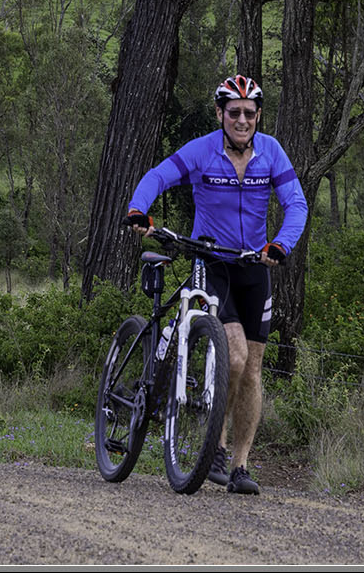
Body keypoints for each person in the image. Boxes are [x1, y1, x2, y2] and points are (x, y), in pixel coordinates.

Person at [123, 74, 307, 496]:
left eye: (249, 113)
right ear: (221, 113)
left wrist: (281, 244)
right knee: (234, 354)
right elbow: (158, 176)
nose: (242, 120)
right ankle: (216, 448)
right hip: (211, 261)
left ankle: (240, 466)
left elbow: (296, 204)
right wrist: (138, 209)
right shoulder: (202, 150)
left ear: (258, 115)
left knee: (252, 369)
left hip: (254, 266)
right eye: (234, 112)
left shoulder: (271, 152)